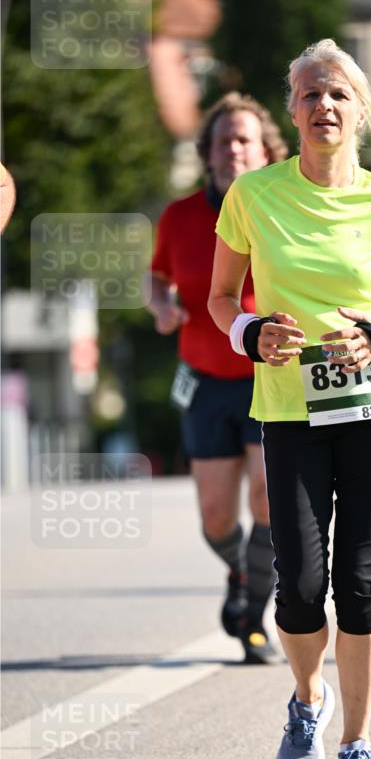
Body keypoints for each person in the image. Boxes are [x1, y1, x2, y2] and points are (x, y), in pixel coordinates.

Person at [208, 39, 371, 759]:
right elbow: (219, 298)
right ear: (292, 111)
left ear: (360, 109)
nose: (324, 106)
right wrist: (249, 333)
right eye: (309, 94)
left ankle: (358, 746)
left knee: (358, 579)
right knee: (299, 585)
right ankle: (308, 698)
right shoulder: (253, 197)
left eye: (338, 93)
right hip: (289, 407)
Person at [147, 93, 288, 664]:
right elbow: (157, 277)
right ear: (207, 151)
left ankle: (255, 615)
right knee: (215, 516)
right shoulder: (179, 216)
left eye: (245, 139)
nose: (234, 148)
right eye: (225, 139)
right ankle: (238, 572)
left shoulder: (280, 207)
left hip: (268, 375)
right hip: (204, 380)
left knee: (268, 499)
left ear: (264, 150)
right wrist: (161, 307)